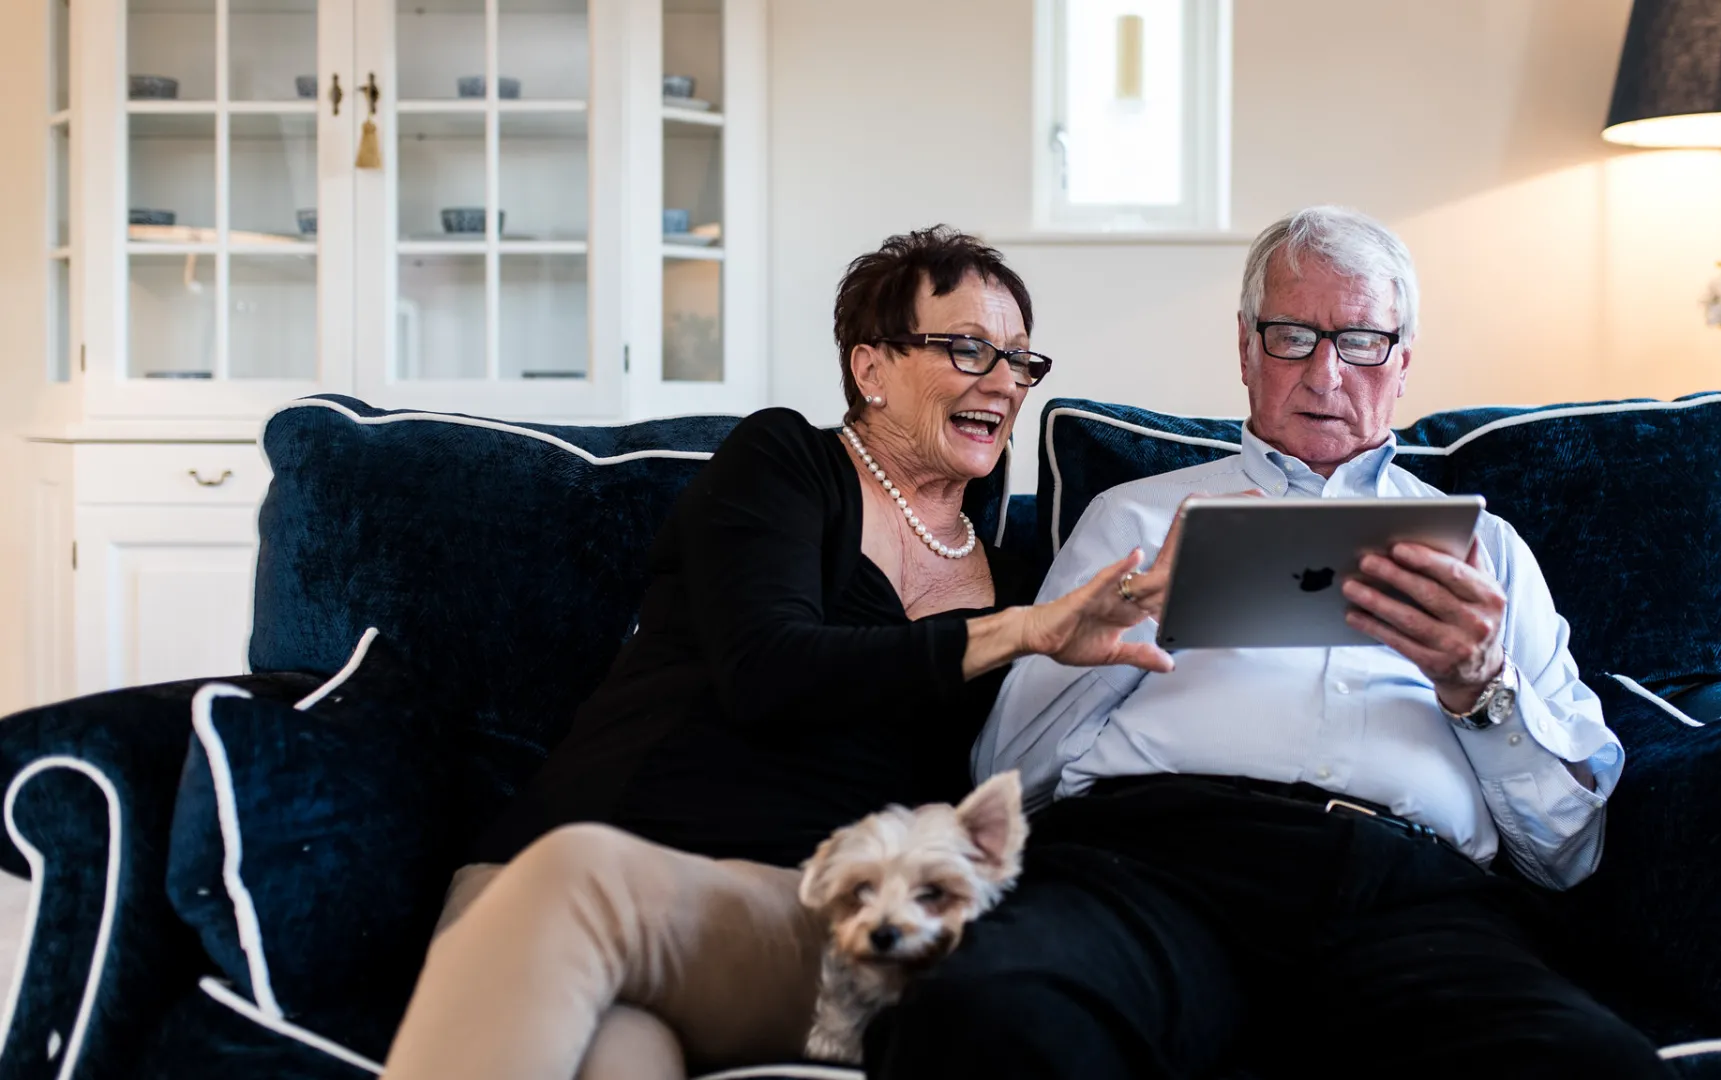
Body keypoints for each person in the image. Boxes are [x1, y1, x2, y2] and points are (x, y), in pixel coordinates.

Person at [866, 206, 1671, 1079]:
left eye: (1361, 340)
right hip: (1150, 864)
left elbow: (1568, 854)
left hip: (1408, 897)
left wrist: (1481, 689)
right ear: (1247, 349)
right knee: (986, 1015)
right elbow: (1005, 778)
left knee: (1594, 1065)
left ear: (1402, 363)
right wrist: (1127, 613)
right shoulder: (1134, 518)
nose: (1326, 372)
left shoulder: (1493, 553)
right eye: (1293, 335)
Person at [379, 226, 1172, 1080]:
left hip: (793, 915)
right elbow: (770, 670)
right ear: (870, 369)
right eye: (969, 348)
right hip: (558, 868)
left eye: (1019, 360)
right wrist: (1020, 632)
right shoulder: (787, 464)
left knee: (580, 881)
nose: (1004, 382)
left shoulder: (1025, 582)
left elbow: (1009, 787)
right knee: (615, 1054)